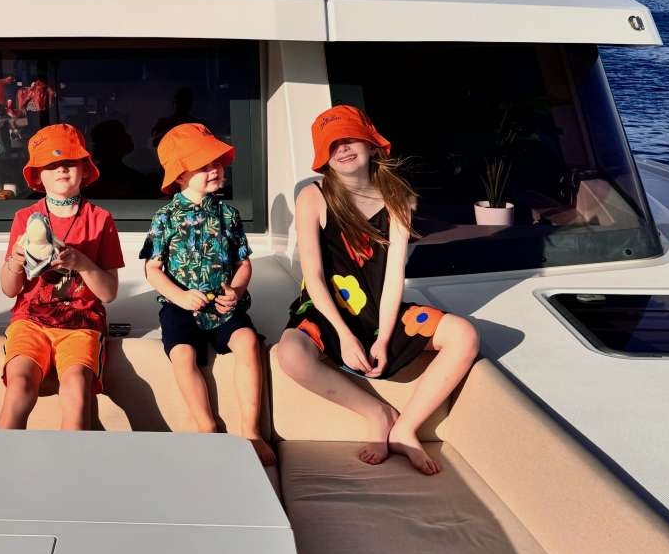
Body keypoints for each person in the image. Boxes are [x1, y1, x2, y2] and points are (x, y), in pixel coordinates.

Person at [275, 106, 479, 475]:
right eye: (332, 144)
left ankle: (405, 428)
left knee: (464, 335)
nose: (342, 148)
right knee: (290, 353)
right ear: (323, 157)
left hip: (380, 310)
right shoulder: (313, 197)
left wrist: (384, 338)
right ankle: (377, 412)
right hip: (328, 310)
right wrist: (344, 336)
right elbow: (313, 277)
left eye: (349, 139)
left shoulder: (397, 197)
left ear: (371, 145)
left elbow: (393, 277)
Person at [141, 123, 275, 465]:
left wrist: (237, 290)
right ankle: (207, 426)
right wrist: (179, 297)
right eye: (203, 165)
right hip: (181, 307)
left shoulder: (228, 214)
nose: (215, 169)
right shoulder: (165, 217)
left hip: (223, 304)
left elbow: (243, 262)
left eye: (217, 162)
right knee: (182, 355)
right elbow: (152, 268)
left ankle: (251, 430)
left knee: (247, 341)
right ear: (180, 176)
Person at [0, 123, 123, 430]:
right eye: (51, 164)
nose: (61, 169)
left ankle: (74, 458)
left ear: (85, 168)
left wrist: (82, 263)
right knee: (20, 385)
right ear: (38, 176)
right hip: (30, 319)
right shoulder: (25, 218)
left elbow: (108, 293)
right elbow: (9, 289)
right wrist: (16, 260)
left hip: (81, 323)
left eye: (70, 161)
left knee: (76, 386)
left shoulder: (100, 220)